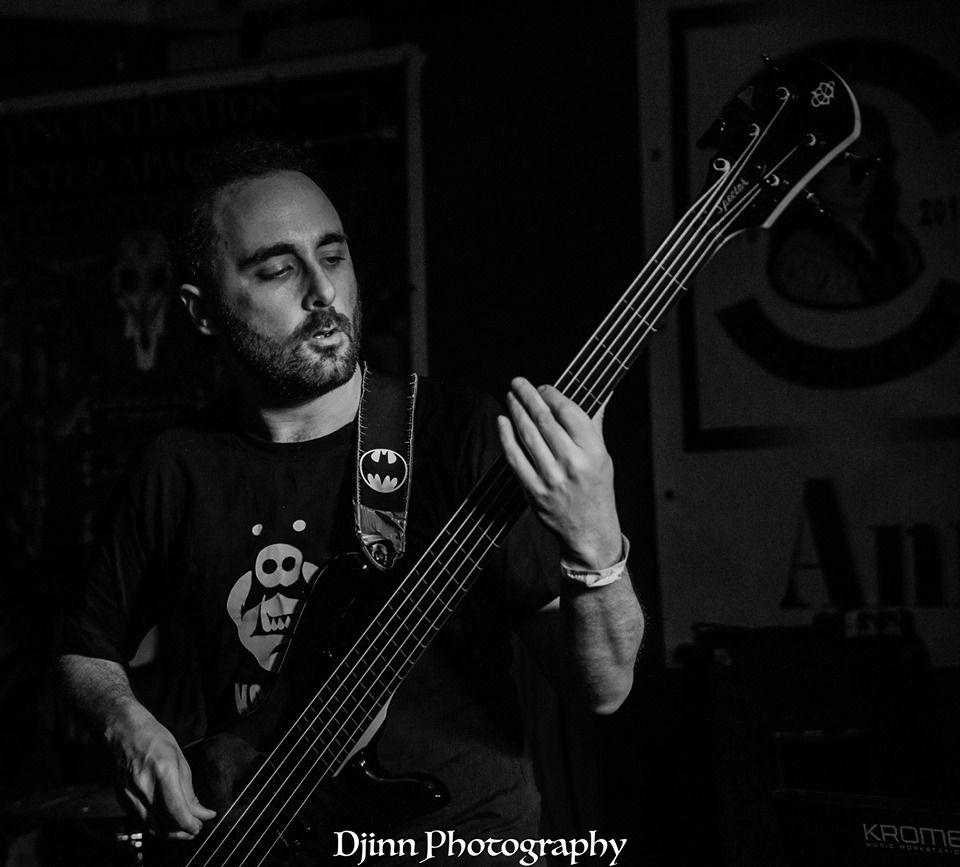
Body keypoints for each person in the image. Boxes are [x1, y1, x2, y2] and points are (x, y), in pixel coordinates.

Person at [56, 138, 644, 862]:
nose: (322, 291)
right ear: (201, 311)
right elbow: (86, 648)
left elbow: (602, 688)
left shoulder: (458, 435)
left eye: (333, 257)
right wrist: (127, 725)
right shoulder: (176, 467)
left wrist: (594, 540)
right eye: (278, 269)